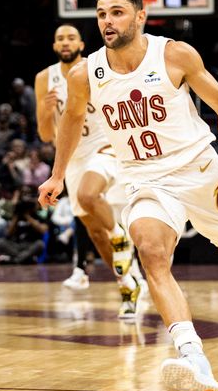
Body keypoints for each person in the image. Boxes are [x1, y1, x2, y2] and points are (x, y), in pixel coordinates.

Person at [38, 0, 218, 391]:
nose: (107, 22)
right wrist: (58, 174)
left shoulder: (175, 54)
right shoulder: (85, 73)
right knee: (151, 253)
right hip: (144, 178)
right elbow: (72, 121)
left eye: (117, 12)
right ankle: (192, 356)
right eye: (101, 14)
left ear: (140, 15)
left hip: (198, 170)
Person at [34, 23, 142, 318]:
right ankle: (127, 283)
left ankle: (119, 234)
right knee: (94, 232)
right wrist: (47, 108)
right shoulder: (44, 78)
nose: (65, 42)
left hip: (103, 145)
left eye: (71, 37)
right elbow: (46, 134)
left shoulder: (95, 67)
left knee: (89, 195)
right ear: (55, 46)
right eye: (60, 38)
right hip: (72, 157)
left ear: (81, 43)